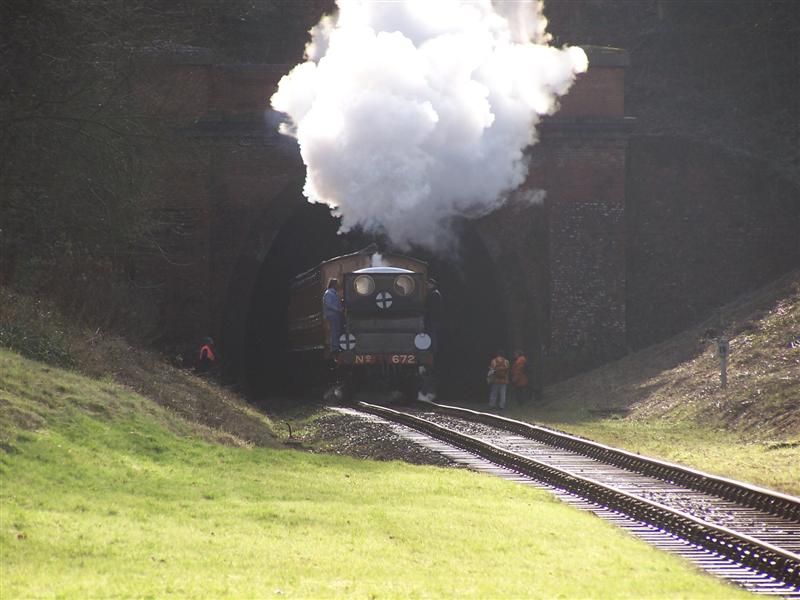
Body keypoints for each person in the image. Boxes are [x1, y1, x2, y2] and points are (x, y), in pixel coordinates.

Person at [322, 278, 344, 352]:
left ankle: (337, 346)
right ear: (333, 284)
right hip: (333, 315)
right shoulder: (328, 293)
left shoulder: (334, 293)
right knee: (334, 331)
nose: (337, 286)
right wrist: (338, 309)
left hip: (336, 315)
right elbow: (329, 304)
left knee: (337, 330)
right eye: (336, 284)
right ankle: (335, 348)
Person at [425, 277, 443, 354]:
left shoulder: (434, 294)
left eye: (429, 284)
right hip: (434, 318)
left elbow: (433, 307)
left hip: (433, 318)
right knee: (432, 333)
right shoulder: (435, 293)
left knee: (432, 334)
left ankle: (433, 350)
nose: (428, 285)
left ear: (432, 285)